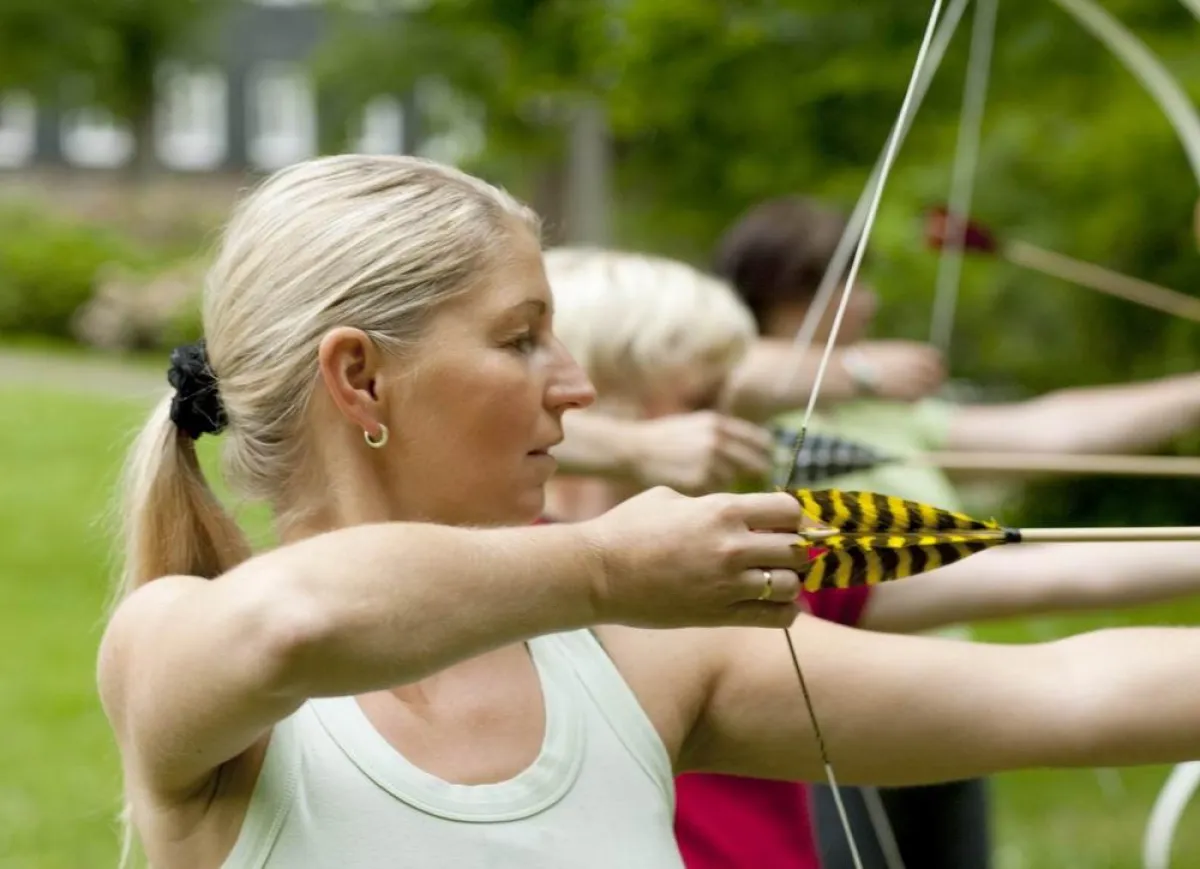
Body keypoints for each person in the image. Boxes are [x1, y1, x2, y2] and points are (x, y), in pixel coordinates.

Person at [100, 156, 1200, 869]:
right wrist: (610, 565)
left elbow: (1071, 687)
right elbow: (296, 623)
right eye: (521, 336)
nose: (572, 384)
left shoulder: (639, 654)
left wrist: (613, 582)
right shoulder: (175, 643)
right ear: (359, 377)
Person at [542, 244, 1200, 869]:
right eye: (703, 401)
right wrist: (629, 447)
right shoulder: (502, 578)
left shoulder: (740, 558)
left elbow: (1062, 604)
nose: (732, 421)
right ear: (598, 396)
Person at [713, 194, 1200, 869]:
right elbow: (719, 365)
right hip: (823, 692)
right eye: (853, 283)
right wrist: (859, 370)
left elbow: (1046, 432)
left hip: (945, 687)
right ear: (795, 288)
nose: (871, 303)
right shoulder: (722, 409)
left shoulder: (882, 411)